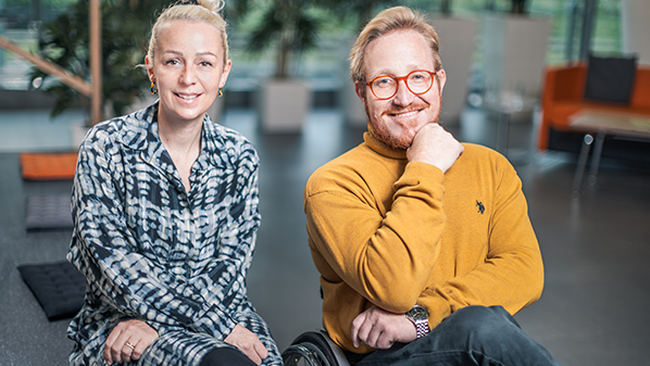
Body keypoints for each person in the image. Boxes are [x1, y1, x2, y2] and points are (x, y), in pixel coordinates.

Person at [304, 6, 562, 366]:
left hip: (472, 350)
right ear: (362, 92)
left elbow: (524, 272)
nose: (405, 97)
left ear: (440, 81)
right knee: (480, 327)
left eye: (418, 78)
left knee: (482, 326)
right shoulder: (334, 184)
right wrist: (425, 165)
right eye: (384, 82)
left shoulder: (491, 167)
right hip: (382, 359)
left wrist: (421, 318)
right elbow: (393, 288)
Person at [66, 0, 281, 365]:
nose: (188, 78)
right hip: (124, 320)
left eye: (205, 63)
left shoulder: (239, 155)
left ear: (224, 73)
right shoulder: (105, 147)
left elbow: (231, 265)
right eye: (172, 61)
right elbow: (114, 266)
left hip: (223, 311)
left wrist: (171, 321)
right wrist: (209, 325)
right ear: (152, 69)